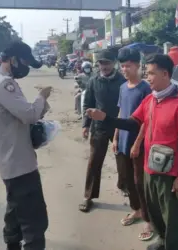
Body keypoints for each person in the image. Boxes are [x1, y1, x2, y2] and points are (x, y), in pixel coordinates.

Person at [86, 54, 178, 250]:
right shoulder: (151, 100)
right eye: (147, 72)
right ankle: (162, 240)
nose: (148, 77)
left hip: (170, 173)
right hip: (150, 167)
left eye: (151, 73)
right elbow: (131, 123)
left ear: (165, 74)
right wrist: (105, 118)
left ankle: (174, 246)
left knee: (173, 217)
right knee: (154, 211)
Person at [0, 41, 52, 250]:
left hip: (13, 161)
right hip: (19, 165)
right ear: (12, 59)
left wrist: (38, 110)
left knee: (15, 213)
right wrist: (41, 97)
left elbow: (24, 116)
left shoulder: (3, 82)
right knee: (34, 222)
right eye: (24, 62)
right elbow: (29, 114)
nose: (25, 67)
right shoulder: (4, 83)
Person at [79, 49, 126, 213]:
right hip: (98, 128)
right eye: (101, 63)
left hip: (118, 127)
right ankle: (88, 196)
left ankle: (123, 185)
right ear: (98, 65)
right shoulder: (93, 81)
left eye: (107, 63)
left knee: (122, 160)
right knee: (94, 162)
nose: (104, 66)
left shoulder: (122, 81)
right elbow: (88, 103)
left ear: (114, 63)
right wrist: (85, 125)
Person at [114, 48, 153, 241]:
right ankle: (136, 210)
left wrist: (137, 143)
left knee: (140, 183)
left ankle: (149, 219)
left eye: (128, 66)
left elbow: (147, 119)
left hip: (138, 143)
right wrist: (115, 138)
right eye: (122, 66)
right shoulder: (123, 87)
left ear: (137, 65)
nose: (124, 69)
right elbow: (121, 114)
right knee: (128, 181)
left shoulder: (145, 88)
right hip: (122, 142)